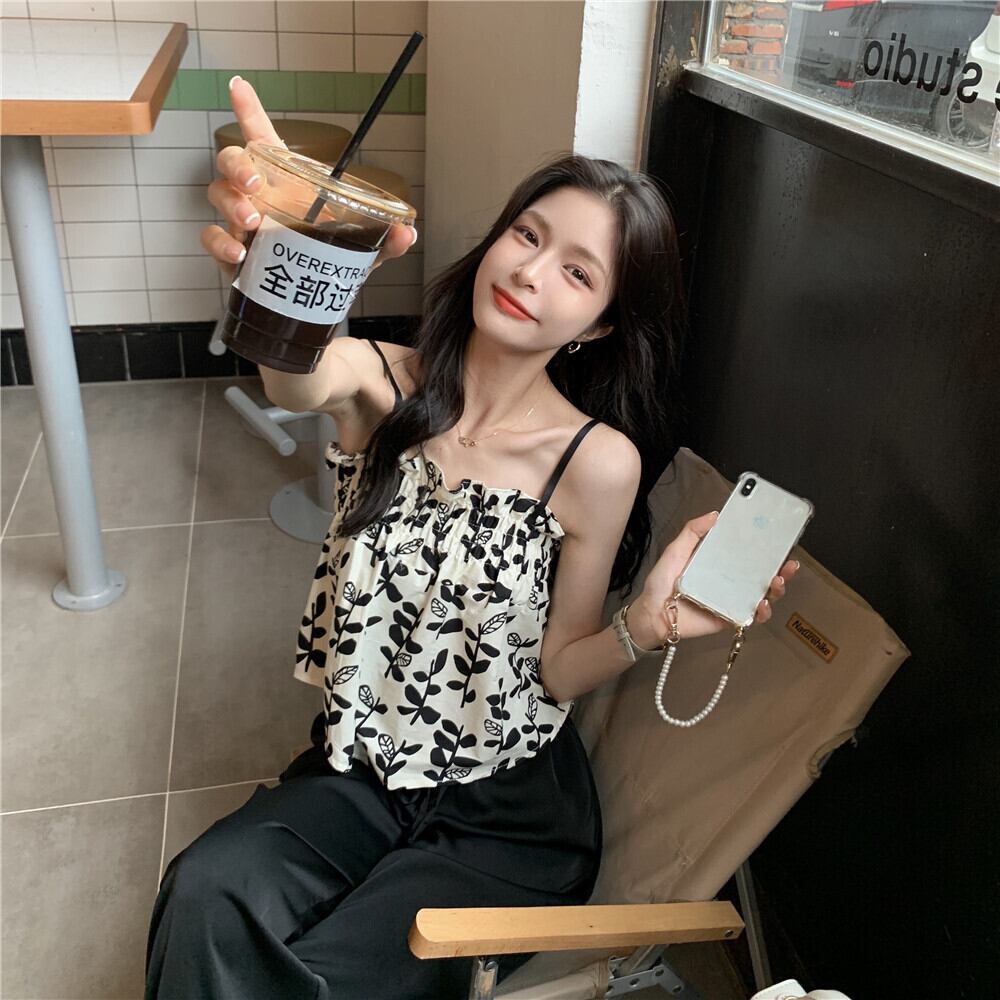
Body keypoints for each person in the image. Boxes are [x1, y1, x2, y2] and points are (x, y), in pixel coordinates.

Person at [144, 78, 799, 1000]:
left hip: (506, 810)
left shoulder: (595, 461)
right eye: (528, 235)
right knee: (205, 893)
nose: (532, 272)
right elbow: (297, 379)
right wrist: (283, 251)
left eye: (578, 272)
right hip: (363, 767)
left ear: (601, 323)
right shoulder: (384, 386)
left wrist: (647, 625)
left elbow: (556, 669)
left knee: (326, 982)